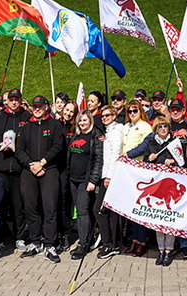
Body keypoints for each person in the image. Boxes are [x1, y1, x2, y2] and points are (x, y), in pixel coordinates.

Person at [16, 94, 66, 263]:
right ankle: (35, 242)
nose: (37, 109)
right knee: (31, 207)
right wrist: (31, 164)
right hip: (29, 171)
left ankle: (50, 244)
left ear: (46, 106)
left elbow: (58, 146)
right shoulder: (25, 126)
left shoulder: (54, 124)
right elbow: (19, 150)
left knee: (50, 207)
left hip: (49, 170)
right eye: (34, 106)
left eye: (40, 106)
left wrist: (43, 163)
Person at [127, 118, 181, 265]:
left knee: (168, 218)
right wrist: (150, 160)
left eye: (165, 126)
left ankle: (169, 250)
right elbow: (145, 165)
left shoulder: (175, 143)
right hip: (157, 188)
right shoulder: (151, 144)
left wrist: (173, 162)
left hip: (170, 187)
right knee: (158, 219)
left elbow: (182, 162)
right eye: (160, 127)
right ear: (155, 129)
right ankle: (161, 249)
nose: (163, 129)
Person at [0, 89, 31, 251]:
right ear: (6, 101)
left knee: (18, 205)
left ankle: (20, 237)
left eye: (17, 99)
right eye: (11, 99)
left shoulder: (27, 118)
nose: (14, 102)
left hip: (19, 168)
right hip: (1, 166)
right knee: (1, 203)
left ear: (21, 100)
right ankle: (0, 239)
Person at [66, 110, 104, 260]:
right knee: (80, 209)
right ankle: (85, 238)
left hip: (85, 180)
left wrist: (93, 180)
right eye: (80, 121)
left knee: (82, 211)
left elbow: (98, 160)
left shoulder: (95, 137)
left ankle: (83, 244)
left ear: (90, 121)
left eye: (85, 121)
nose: (82, 123)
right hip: (73, 179)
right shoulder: (76, 135)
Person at [120, 100, 154, 256]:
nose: (132, 114)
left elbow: (146, 145)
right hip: (127, 170)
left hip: (138, 170)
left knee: (139, 208)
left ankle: (142, 241)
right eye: (130, 111)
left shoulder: (146, 126)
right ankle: (134, 240)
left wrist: (129, 154)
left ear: (141, 111)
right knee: (131, 209)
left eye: (135, 110)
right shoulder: (126, 127)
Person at [94, 105, 123, 259]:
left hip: (110, 176)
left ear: (114, 116)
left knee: (98, 209)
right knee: (110, 212)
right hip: (105, 175)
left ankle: (108, 243)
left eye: (107, 115)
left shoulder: (117, 131)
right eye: (102, 116)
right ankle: (114, 243)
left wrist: (109, 177)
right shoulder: (109, 132)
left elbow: (115, 154)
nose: (104, 118)